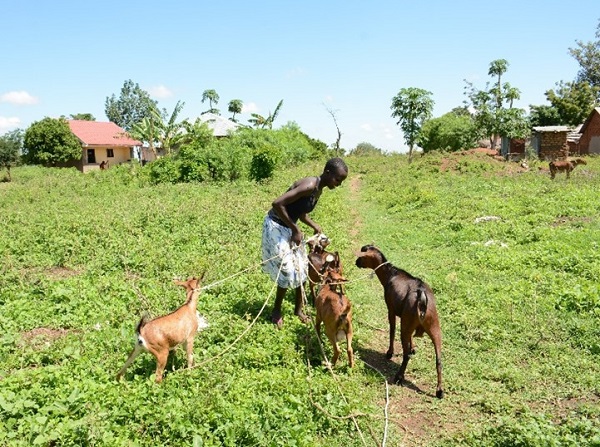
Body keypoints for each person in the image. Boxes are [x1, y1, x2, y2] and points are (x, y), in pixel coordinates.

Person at [261, 157, 348, 328]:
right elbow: (277, 203)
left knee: (302, 267)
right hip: (276, 225)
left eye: (341, 181)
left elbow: (300, 212)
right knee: (286, 269)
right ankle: (276, 310)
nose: (338, 184)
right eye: (337, 179)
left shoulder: (318, 190)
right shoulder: (309, 185)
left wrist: (313, 225)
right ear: (327, 172)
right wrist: (295, 229)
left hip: (289, 226)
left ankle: (298, 309)